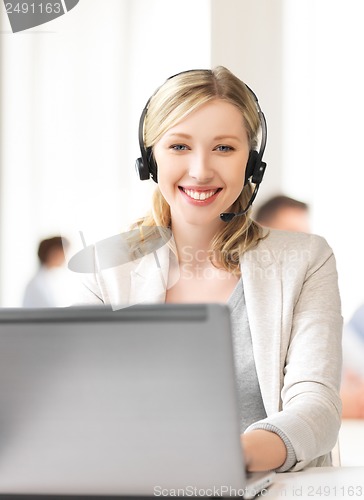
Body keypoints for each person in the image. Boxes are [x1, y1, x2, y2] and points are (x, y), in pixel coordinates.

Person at [76, 67, 342, 472]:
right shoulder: (106, 268)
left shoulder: (306, 259)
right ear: (150, 159)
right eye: (179, 147)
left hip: (264, 485)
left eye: (224, 148)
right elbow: (79, 404)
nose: (200, 171)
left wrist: (231, 456)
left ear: (252, 162)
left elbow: (317, 408)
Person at [23, 236, 74, 307]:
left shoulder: (49, 280)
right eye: (64, 252)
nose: (66, 258)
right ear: (54, 253)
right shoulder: (38, 283)